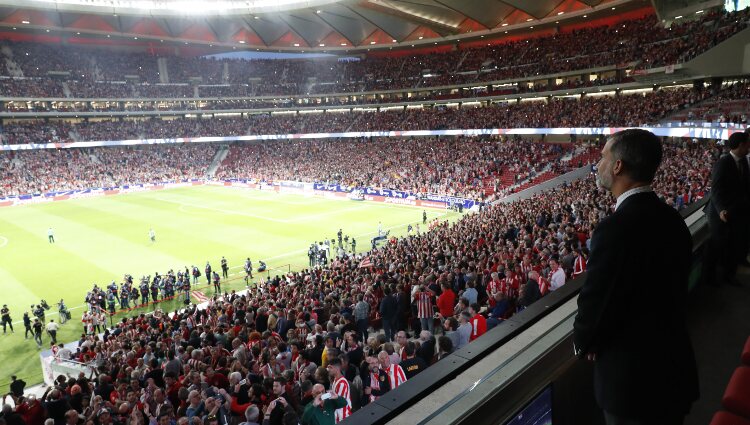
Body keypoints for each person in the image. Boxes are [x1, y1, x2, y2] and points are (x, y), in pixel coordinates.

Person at [573, 129, 698, 425]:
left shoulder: (615, 228)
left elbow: (597, 300)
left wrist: (585, 342)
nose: (597, 163)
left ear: (618, 166)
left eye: (603, 157)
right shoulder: (672, 219)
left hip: (634, 386)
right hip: (673, 369)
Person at [703, 131, 750, 286]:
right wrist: (721, 209)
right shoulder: (723, 163)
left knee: (735, 244)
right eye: (747, 144)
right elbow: (715, 190)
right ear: (742, 145)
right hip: (719, 213)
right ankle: (709, 278)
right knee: (717, 244)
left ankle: (729, 275)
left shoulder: (743, 162)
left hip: (736, 211)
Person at [326, 358, 352, 423]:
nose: (328, 370)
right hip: (338, 415)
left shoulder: (342, 383)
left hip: (342, 417)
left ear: (336, 368)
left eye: (330, 368)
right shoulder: (336, 379)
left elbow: (339, 403)